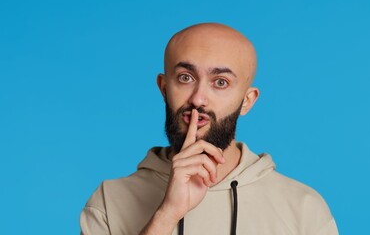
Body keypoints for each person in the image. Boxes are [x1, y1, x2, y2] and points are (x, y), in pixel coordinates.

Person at [80, 23, 339, 235]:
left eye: (221, 82)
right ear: (163, 88)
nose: (198, 98)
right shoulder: (109, 201)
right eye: (185, 78)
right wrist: (167, 214)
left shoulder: (304, 208)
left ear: (247, 101)